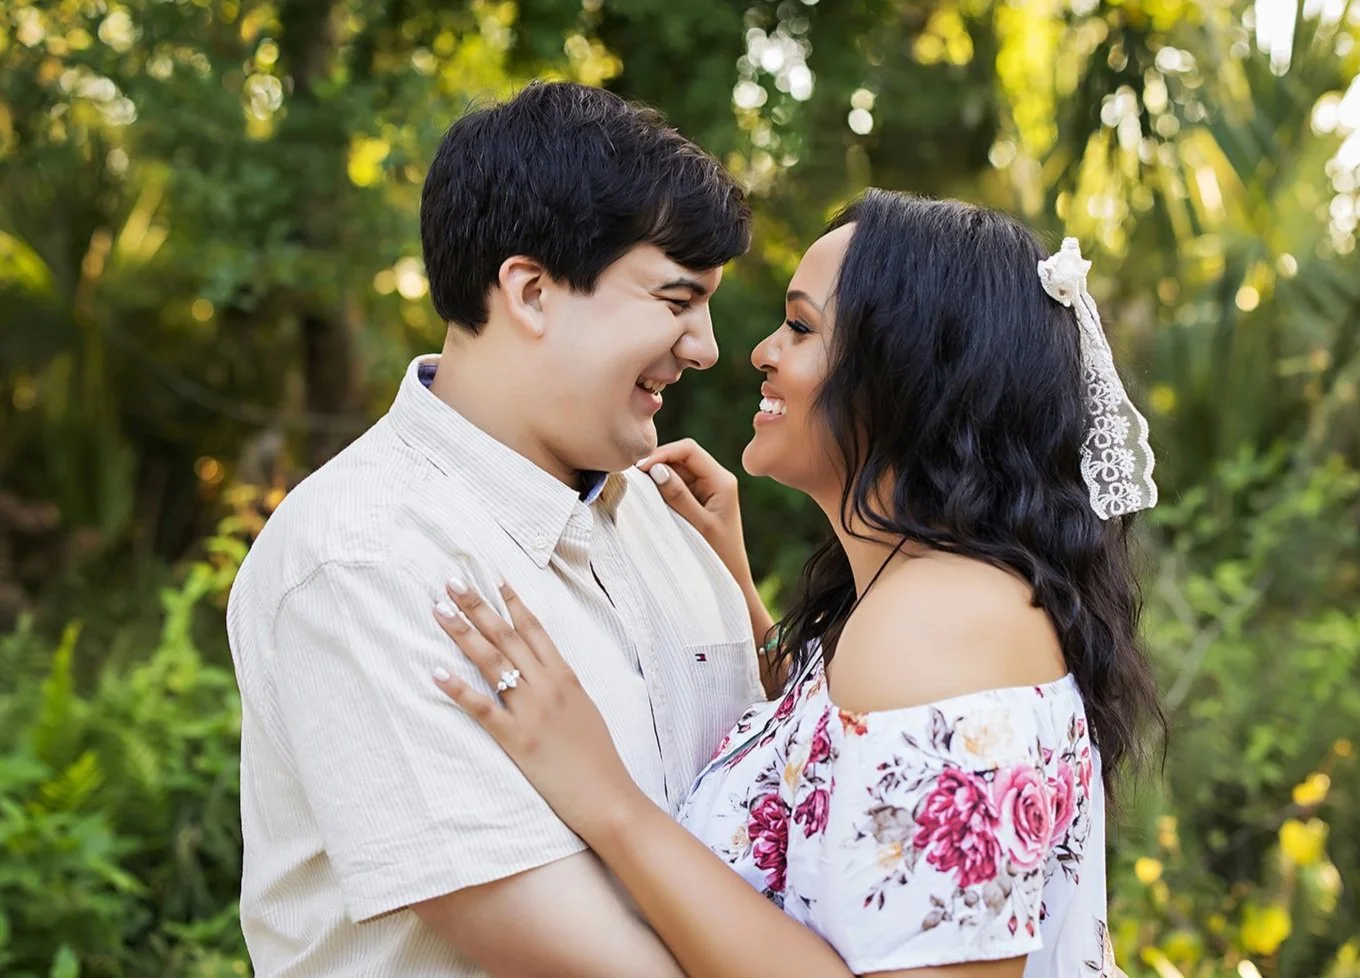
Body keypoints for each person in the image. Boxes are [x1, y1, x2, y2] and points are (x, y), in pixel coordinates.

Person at [426, 190, 1164, 976]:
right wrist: (741, 592)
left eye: (802, 327)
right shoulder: (934, 604)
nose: (759, 352)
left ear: (905, 376)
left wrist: (605, 797)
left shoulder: (942, 629)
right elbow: (845, 764)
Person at [225, 81, 766, 976]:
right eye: (676, 302)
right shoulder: (366, 557)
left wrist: (745, 600)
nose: (704, 347)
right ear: (532, 290)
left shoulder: (674, 522)